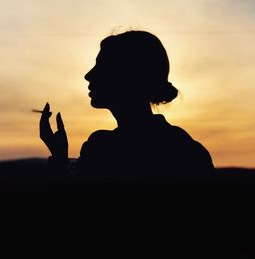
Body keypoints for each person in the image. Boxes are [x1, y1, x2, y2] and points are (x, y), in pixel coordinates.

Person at [39, 30, 214, 180]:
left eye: (102, 66)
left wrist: (59, 160)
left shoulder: (101, 150)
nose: (88, 75)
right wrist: (59, 155)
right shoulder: (187, 151)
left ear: (129, 76)